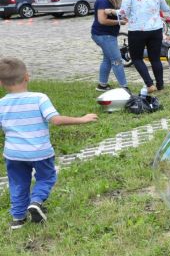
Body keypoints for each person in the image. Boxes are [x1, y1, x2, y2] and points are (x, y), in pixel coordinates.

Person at [0, 57, 98, 229]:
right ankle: (36, 201)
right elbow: (56, 120)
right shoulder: (39, 98)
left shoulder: (1, 104)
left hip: (14, 153)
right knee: (46, 177)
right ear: (27, 77)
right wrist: (82, 119)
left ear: (1, 83)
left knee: (18, 183)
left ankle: (18, 218)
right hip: (40, 151)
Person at [120, 0, 170, 93]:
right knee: (155, 58)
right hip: (155, 29)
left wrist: (113, 12)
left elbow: (123, 13)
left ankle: (149, 84)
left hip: (137, 30)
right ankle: (160, 85)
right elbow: (165, 8)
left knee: (136, 58)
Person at [91, 0, 128, 92]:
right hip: (103, 35)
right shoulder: (102, 0)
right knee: (117, 60)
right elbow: (102, 20)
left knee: (107, 59)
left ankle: (102, 85)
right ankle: (124, 87)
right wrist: (119, 21)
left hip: (108, 35)